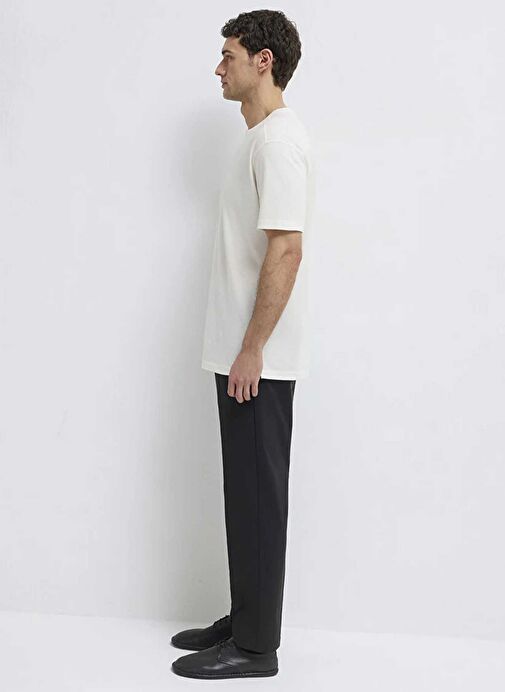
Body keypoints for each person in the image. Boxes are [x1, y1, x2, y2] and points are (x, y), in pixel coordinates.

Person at [171, 9, 315, 680]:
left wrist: (253, 348)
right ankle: (247, 615)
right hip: (241, 356)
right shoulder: (257, 140)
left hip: (257, 360)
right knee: (245, 496)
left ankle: (257, 649)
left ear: (264, 61)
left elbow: (286, 249)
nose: (218, 68)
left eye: (228, 55)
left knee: (258, 498)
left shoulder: (278, 142)